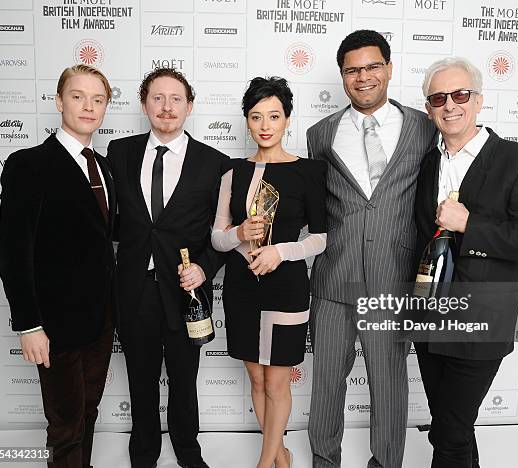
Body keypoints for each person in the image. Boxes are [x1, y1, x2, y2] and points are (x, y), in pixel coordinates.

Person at [413, 57, 518, 468]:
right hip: (428, 319)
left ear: (479, 100)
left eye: (460, 94)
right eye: (438, 97)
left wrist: (470, 225)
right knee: (452, 427)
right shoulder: (428, 163)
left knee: (450, 431)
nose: (450, 105)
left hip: (481, 322)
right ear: (428, 108)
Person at [306, 29, 437, 468]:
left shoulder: (423, 126)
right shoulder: (319, 134)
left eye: (372, 66)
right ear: (343, 76)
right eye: (352, 70)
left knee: (388, 382)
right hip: (333, 277)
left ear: (389, 68)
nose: (363, 77)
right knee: (325, 382)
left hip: (393, 277)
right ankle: (325, 462)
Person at [196, 76, 327, 468]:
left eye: (274, 115)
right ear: (247, 121)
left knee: (277, 380)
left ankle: (265, 462)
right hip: (241, 289)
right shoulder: (232, 171)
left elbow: (321, 238)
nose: (265, 125)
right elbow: (217, 238)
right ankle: (279, 454)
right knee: (256, 379)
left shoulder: (310, 171)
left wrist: (282, 252)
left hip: (286, 286)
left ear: (288, 119)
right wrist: (239, 232)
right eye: (256, 117)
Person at [107, 68, 228, 468]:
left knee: (183, 380)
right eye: (157, 98)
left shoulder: (215, 164)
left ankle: (188, 452)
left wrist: (205, 270)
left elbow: (224, 235)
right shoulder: (118, 154)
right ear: (144, 104)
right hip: (133, 290)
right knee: (140, 381)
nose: (167, 107)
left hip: (186, 293)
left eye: (176, 98)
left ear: (189, 106)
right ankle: (143, 455)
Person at [0, 64, 115, 467]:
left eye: (98, 99)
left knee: (88, 412)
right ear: (59, 100)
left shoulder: (104, 167)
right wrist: (28, 324)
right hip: (54, 324)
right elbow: (12, 250)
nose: (88, 106)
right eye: (78, 96)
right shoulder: (28, 164)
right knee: (64, 422)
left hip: (100, 320)